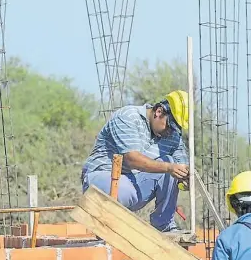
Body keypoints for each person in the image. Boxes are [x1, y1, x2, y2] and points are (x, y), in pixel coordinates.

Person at [81, 90, 193, 239]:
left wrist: (184, 178)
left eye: (176, 129)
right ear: (159, 111)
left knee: (170, 163)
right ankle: (111, 223)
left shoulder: (172, 136)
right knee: (168, 166)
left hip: (130, 186)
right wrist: (170, 168)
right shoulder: (128, 117)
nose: (170, 132)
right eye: (170, 126)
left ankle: (164, 225)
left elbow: (181, 165)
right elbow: (132, 159)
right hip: (101, 180)